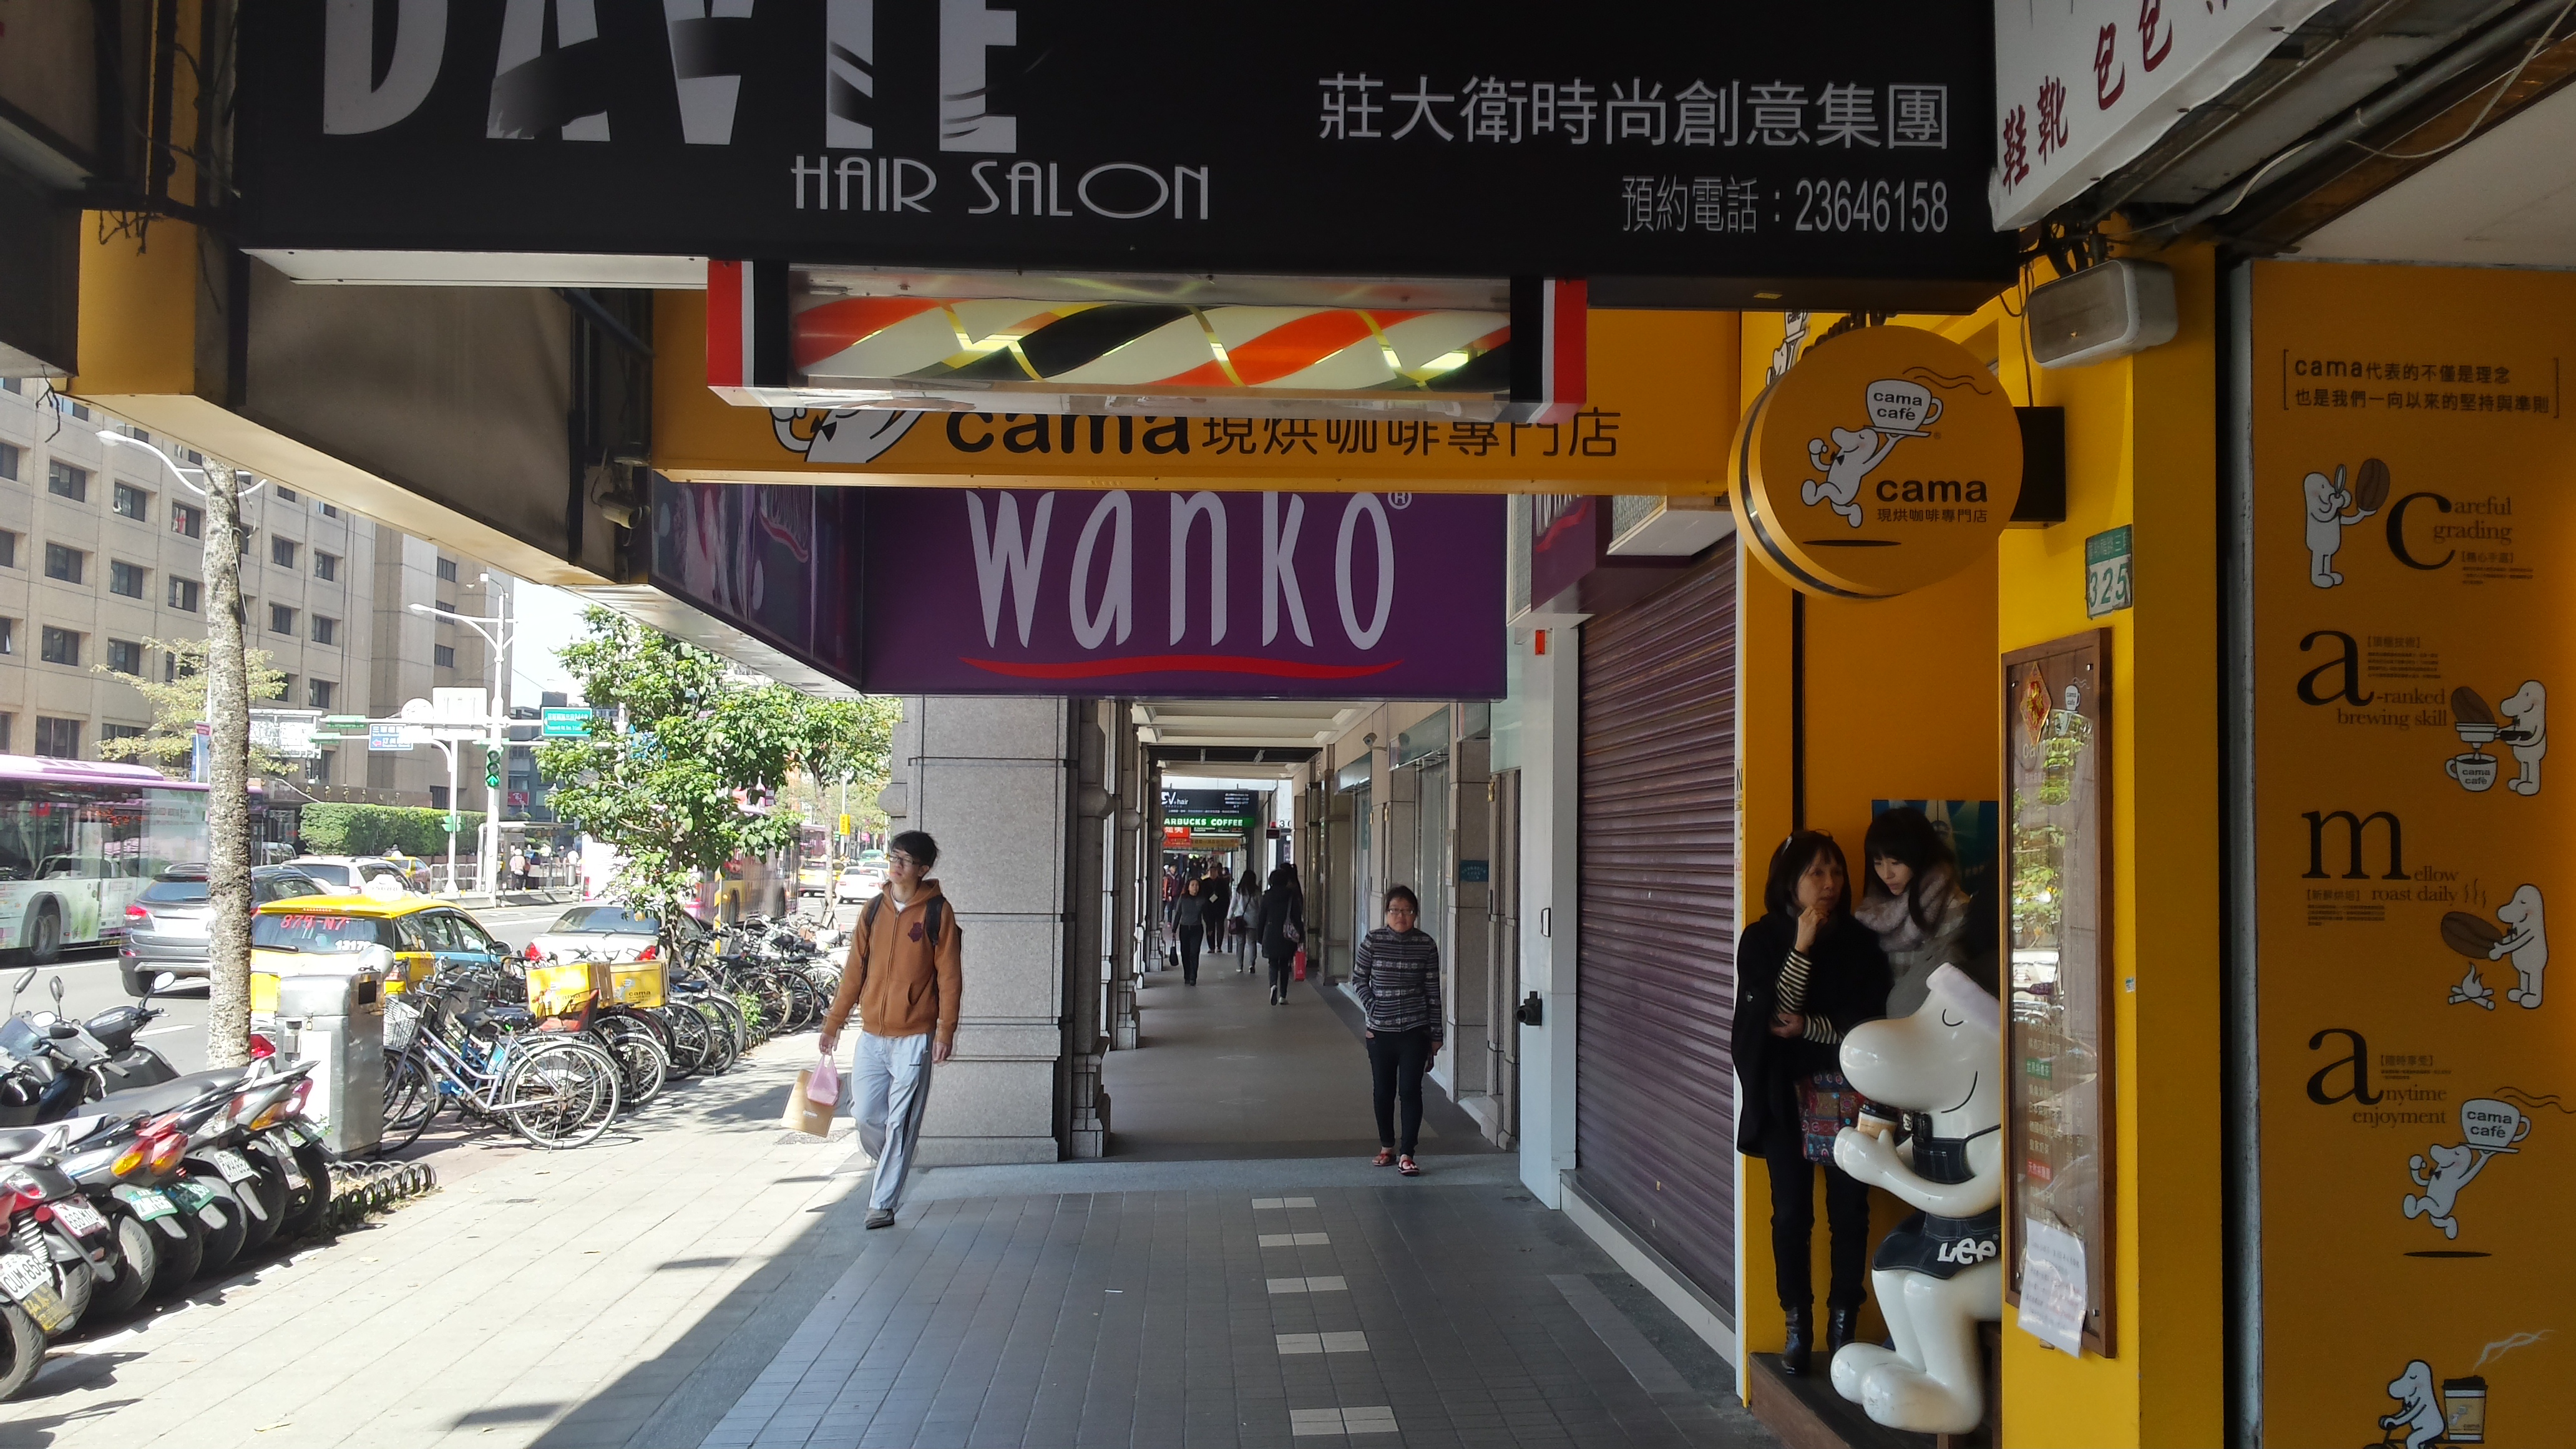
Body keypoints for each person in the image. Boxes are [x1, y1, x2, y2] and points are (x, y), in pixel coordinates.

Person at [1732, 831, 1893, 1377]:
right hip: (1785, 1096)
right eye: (1816, 873)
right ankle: (1797, 1325)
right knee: (1791, 1213)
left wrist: (1812, 1029)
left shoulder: (1861, 942)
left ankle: (1843, 1325)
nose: (1830, 884)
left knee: (1850, 1212)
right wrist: (1801, 947)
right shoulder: (1762, 940)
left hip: (1852, 1095)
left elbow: (1869, 1023)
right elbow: (1774, 1016)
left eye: (1837, 872)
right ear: (1790, 882)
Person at [818, 829, 964, 1230]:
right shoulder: (872, 910)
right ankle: (895, 1158)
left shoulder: (938, 913)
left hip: (915, 1036)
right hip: (872, 1035)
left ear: (923, 869)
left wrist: (946, 1031)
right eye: (893, 857)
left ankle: (881, 1204)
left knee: (900, 1122)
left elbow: (950, 978)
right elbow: (854, 972)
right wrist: (834, 1023)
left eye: (905, 860)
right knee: (865, 1115)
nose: (896, 865)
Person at [1352, 884, 1442, 1176]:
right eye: (1394, 910)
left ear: (1415, 914)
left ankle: (1408, 1153)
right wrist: (1373, 1007)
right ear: (1386, 913)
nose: (1400, 916)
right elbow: (1359, 979)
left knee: (1410, 1090)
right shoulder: (1373, 941)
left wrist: (1436, 1035)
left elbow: (1432, 991)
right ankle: (1387, 1146)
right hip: (1380, 1032)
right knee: (1383, 1091)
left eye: (1407, 911)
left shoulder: (1426, 945)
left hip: (1415, 1030)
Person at [1855, 807, 1974, 1017]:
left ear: (1920, 857)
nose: (1887, 874)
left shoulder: (1955, 908)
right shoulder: (1872, 911)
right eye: (1878, 863)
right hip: (1883, 1026)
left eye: (1896, 863)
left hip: (1936, 1024)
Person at [1256, 861, 1305, 1005]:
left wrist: (1260, 936)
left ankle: (1273, 985)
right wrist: (1301, 936)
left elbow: (1261, 918)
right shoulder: (1291, 897)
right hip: (1287, 935)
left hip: (1271, 933)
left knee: (1273, 963)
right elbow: (1297, 918)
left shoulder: (1267, 897)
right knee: (1284, 964)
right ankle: (1283, 995)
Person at [1176, 876, 1208, 985]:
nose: (1195, 887)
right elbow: (1178, 913)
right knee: (1185, 953)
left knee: (1194, 952)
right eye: (1193, 885)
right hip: (1185, 928)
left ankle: (1193, 976)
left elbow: (1206, 915)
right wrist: (1174, 929)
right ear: (1188, 887)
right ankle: (1187, 975)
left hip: (1197, 928)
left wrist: (1210, 928)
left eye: (1197, 885)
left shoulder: (1202, 900)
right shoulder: (1183, 898)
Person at [1232, 867, 1262, 967]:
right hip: (1253, 920)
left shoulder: (1239, 890)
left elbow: (1233, 904)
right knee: (1252, 943)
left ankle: (1239, 965)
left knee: (1240, 943)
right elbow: (1261, 906)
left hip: (1240, 919)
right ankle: (1251, 964)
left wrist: (1229, 917)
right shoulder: (1257, 891)